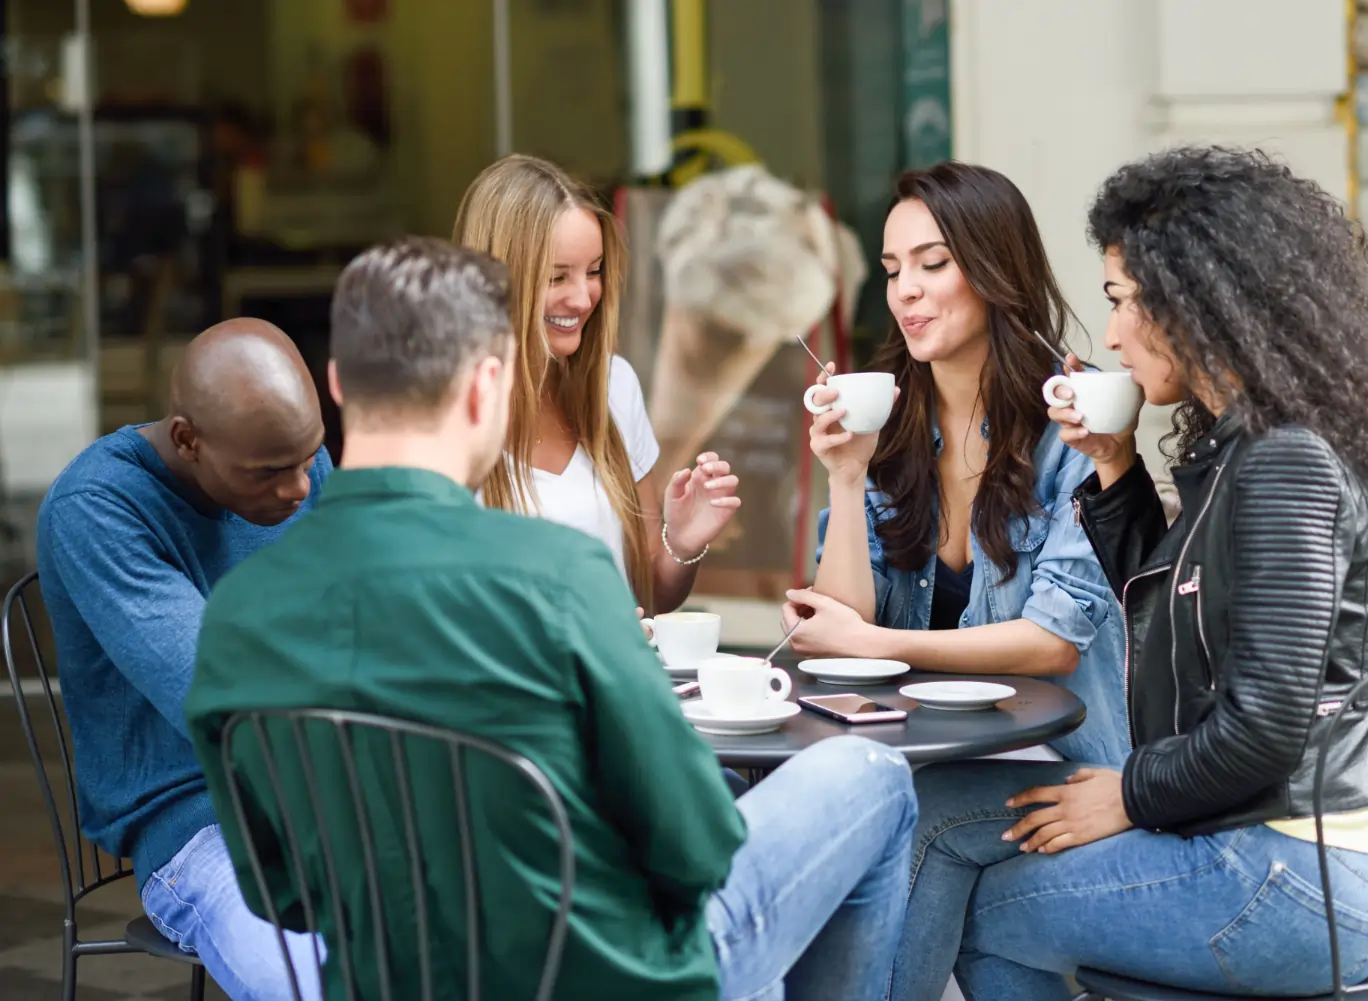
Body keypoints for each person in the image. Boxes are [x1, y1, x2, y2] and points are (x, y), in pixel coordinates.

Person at [185, 236, 917, 1001]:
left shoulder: (239, 613)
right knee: (870, 773)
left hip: (396, 984)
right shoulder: (557, 574)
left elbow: (283, 893)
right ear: (488, 385)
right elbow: (697, 846)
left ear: (338, 382)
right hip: (609, 980)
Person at [889, 145, 1368, 1001]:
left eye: (1122, 300)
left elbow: (1266, 728)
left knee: (992, 913)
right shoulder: (1246, 447)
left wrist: (1129, 797)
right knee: (941, 809)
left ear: (1194, 300)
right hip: (1266, 842)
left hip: (1299, 873)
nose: (1110, 335)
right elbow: (1169, 596)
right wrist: (1114, 465)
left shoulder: (1286, 464)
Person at [783, 160, 1130, 768]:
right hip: (914, 752)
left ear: (996, 269)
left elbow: (1054, 643)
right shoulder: (885, 414)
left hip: (1055, 761)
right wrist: (846, 476)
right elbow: (843, 631)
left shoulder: (1076, 417)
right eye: (893, 271)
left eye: (933, 263)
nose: (905, 290)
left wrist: (876, 643)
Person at [34, 318, 329, 1001]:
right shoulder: (98, 507)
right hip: (202, 816)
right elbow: (226, 697)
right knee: (312, 982)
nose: (299, 489)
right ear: (188, 439)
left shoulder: (294, 458)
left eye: (310, 456)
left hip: (328, 780)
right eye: (269, 472)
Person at [453, 154, 739, 615]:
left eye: (594, 271)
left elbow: (650, 594)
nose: (584, 297)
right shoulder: (447, 413)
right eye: (557, 277)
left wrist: (683, 543)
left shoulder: (614, 384)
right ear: (498, 280)